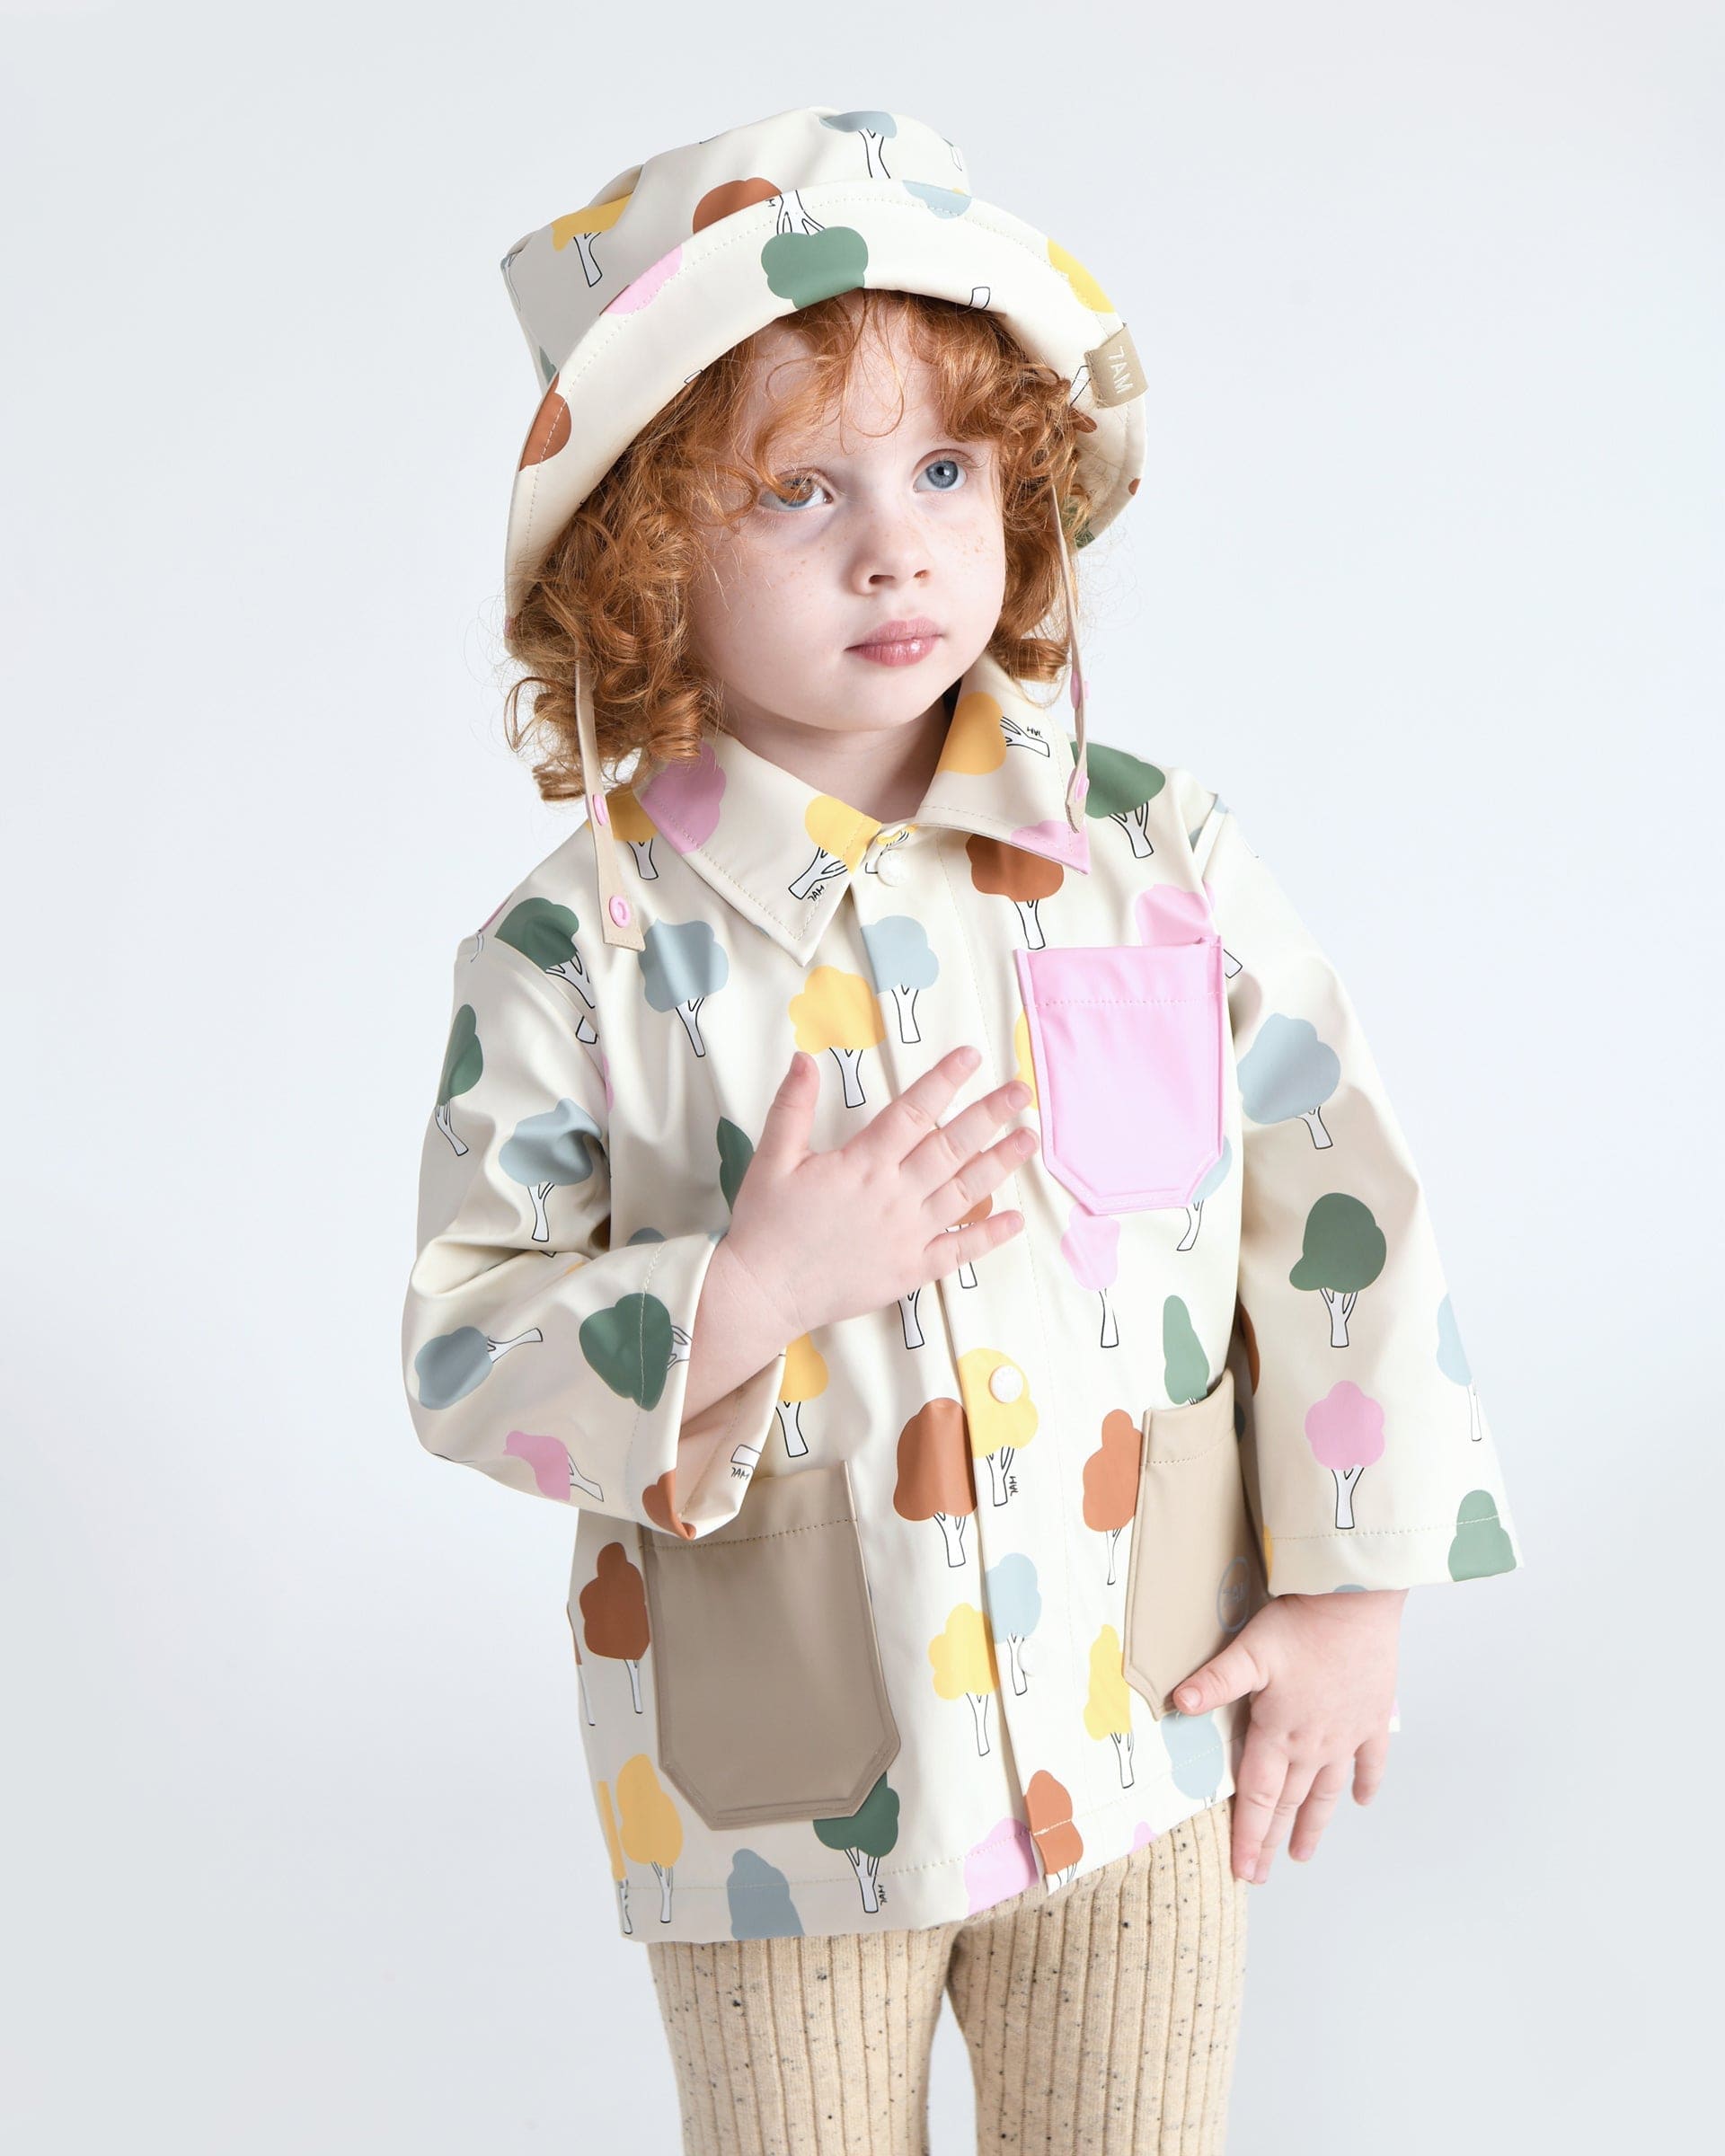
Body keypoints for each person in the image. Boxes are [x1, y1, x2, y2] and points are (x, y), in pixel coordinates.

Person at [400, 103, 1525, 2155]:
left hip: (1140, 1731)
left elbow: (1334, 1198)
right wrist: (744, 1293)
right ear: (647, 558)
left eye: (943, 469)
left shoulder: (1148, 850)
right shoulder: (579, 950)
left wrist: (1356, 1585)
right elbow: (467, 1351)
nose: (896, 546)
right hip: (777, 1800)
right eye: (798, 489)